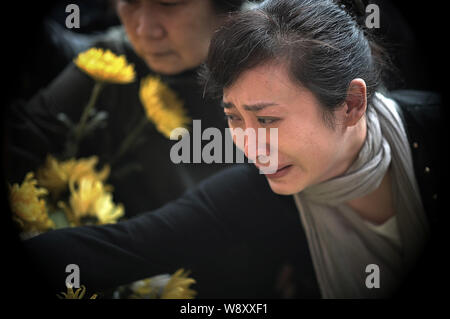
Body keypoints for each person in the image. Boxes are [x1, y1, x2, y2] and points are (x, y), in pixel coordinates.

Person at [20, 0, 442, 298]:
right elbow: (126, 246)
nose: (250, 145)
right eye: (234, 118)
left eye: (268, 119)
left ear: (351, 104)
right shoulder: (262, 192)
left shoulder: (430, 131)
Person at [5, 0, 250, 217]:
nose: (144, 29)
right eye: (130, 2)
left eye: (168, 4)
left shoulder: (270, 64)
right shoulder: (111, 64)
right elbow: (24, 141)